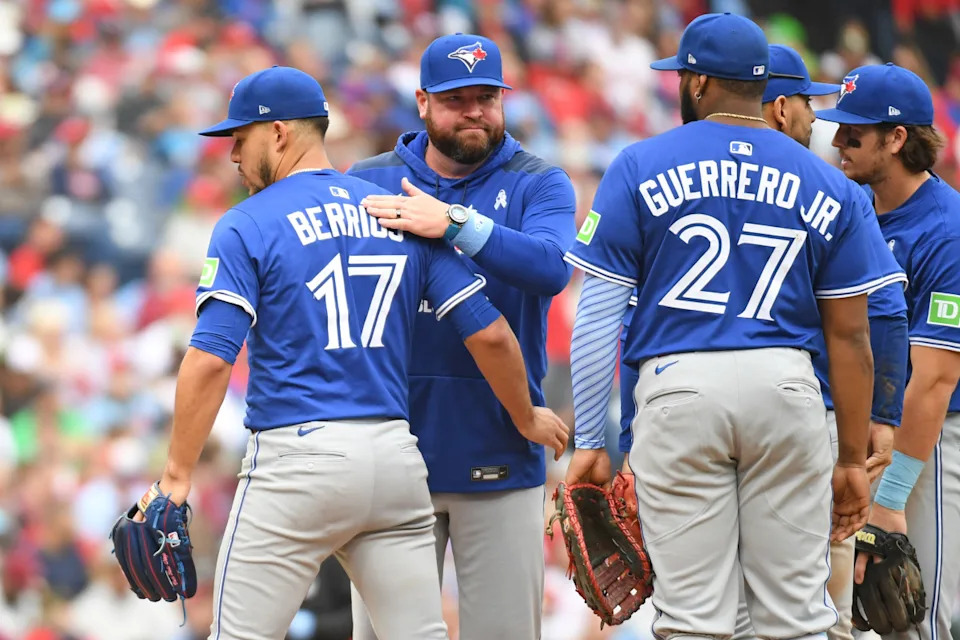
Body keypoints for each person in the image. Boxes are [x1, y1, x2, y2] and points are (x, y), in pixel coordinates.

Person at [134, 65, 568, 640]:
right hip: (394, 460)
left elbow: (213, 356)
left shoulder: (246, 223)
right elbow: (489, 334)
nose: (234, 154)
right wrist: (526, 414)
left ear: (281, 133)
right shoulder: (391, 211)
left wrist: (176, 477)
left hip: (297, 458)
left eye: (241, 138)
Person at [563, 13, 885, 639]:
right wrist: (849, 455)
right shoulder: (827, 182)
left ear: (701, 82)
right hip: (787, 389)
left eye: (683, 76)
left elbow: (599, 313)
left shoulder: (638, 164)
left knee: (693, 621)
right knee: (797, 618)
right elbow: (851, 337)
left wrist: (591, 441)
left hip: (680, 388)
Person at [345, 33, 576, 640]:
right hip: (391, 450)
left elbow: (552, 268)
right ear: (422, 101)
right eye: (456, 99)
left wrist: (452, 223)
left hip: (498, 442)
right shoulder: (369, 180)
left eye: (487, 97)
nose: (475, 111)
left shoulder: (538, 181)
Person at [817, 62, 960, 640]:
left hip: (930, 443)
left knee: (916, 618)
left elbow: (934, 378)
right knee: (846, 618)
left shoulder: (946, 229)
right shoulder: (850, 212)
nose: (838, 140)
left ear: (897, 139)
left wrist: (892, 496)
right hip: (859, 440)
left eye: (854, 131)